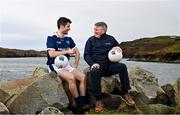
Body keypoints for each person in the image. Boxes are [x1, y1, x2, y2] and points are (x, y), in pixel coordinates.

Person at [84, 22, 135, 113]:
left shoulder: (111, 39)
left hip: (110, 65)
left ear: (103, 30)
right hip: (98, 66)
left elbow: (117, 46)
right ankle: (98, 100)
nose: (94, 31)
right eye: (94, 29)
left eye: (97, 29)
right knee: (94, 71)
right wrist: (92, 64)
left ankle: (125, 93)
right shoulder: (90, 40)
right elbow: (86, 55)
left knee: (122, 66)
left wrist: (119, 48)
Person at [46, 17, 89, 110]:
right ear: (61, 26)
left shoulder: (69, 39)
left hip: (67, 65)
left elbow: (77, 52)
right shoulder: (51, 38)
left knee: (83, 77)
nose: (69, 28)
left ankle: (83, 101)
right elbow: (51, 54)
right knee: (71, 78)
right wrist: (66, 52)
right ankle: (79, 104)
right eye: (68, 26)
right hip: (55, 66)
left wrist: (75, 64)